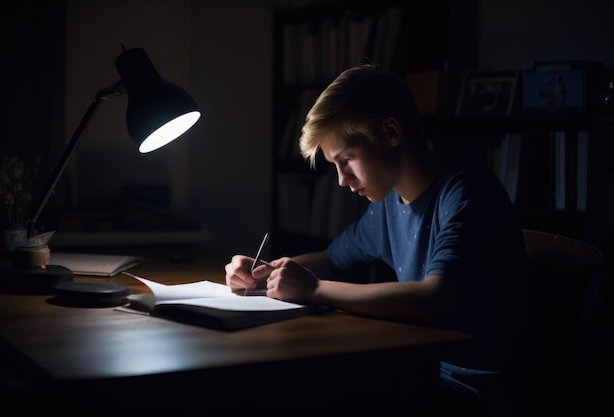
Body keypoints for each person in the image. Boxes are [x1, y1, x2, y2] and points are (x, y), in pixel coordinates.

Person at [225, 64, 530, 417]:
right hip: (420, 370)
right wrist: (264, 272)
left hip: (473, 391)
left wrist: (315, 290)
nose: (341, 180)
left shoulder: (465, 194)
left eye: (348, 158)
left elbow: (435, 299)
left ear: (390, 132)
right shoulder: (388, 206)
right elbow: (332, 258)